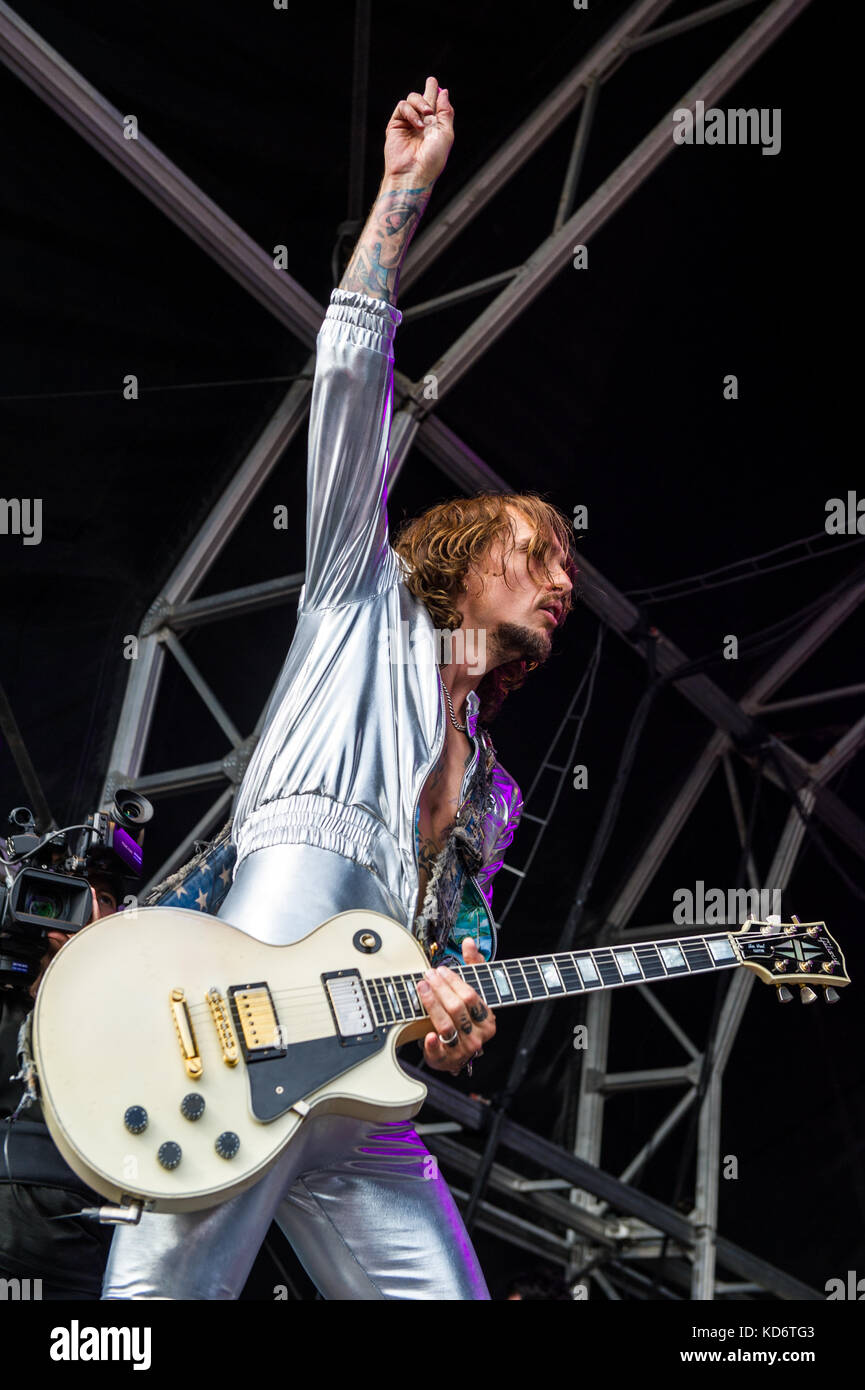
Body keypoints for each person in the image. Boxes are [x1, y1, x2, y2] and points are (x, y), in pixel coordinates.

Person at [102, 75, 576, 1301]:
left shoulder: (498, 795)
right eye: (541, 555)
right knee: (152, 1308)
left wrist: (450, 1012)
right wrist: (401, 195)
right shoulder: (352, 600)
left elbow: (449, 955)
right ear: (463, 559)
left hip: (361, 1074)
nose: (564, 583)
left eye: (570, 568)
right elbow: (350, 376)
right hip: (249, 995)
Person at [0, 873, 121, 1299]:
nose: (87, 908)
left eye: (104, 898)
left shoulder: (139, 996)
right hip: (20, 1220)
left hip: (95, 1231)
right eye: (59, 899)